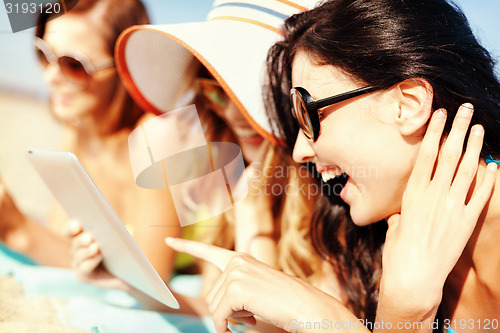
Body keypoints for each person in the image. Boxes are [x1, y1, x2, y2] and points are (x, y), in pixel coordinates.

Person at [165, 0, 500, 332]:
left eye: (308, 113)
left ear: (407, 106)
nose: (298, 152)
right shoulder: (368, 240)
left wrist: (352, 319)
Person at [69, 1, 331, 328]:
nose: (235, 115)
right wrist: (119, 281)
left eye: (255, 93)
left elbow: (262, 326)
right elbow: (213, 302)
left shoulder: (328, 191)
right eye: (218, 95)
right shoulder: (234, 171)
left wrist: (253, 220)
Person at [0, 0, 181, 282]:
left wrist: (17, 229)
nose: (50, 76)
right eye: (43, 54)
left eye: (73, 65)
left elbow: (151, 282)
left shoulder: (156, 137)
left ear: (125, 68)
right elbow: (67, 247)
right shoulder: (79, 129)